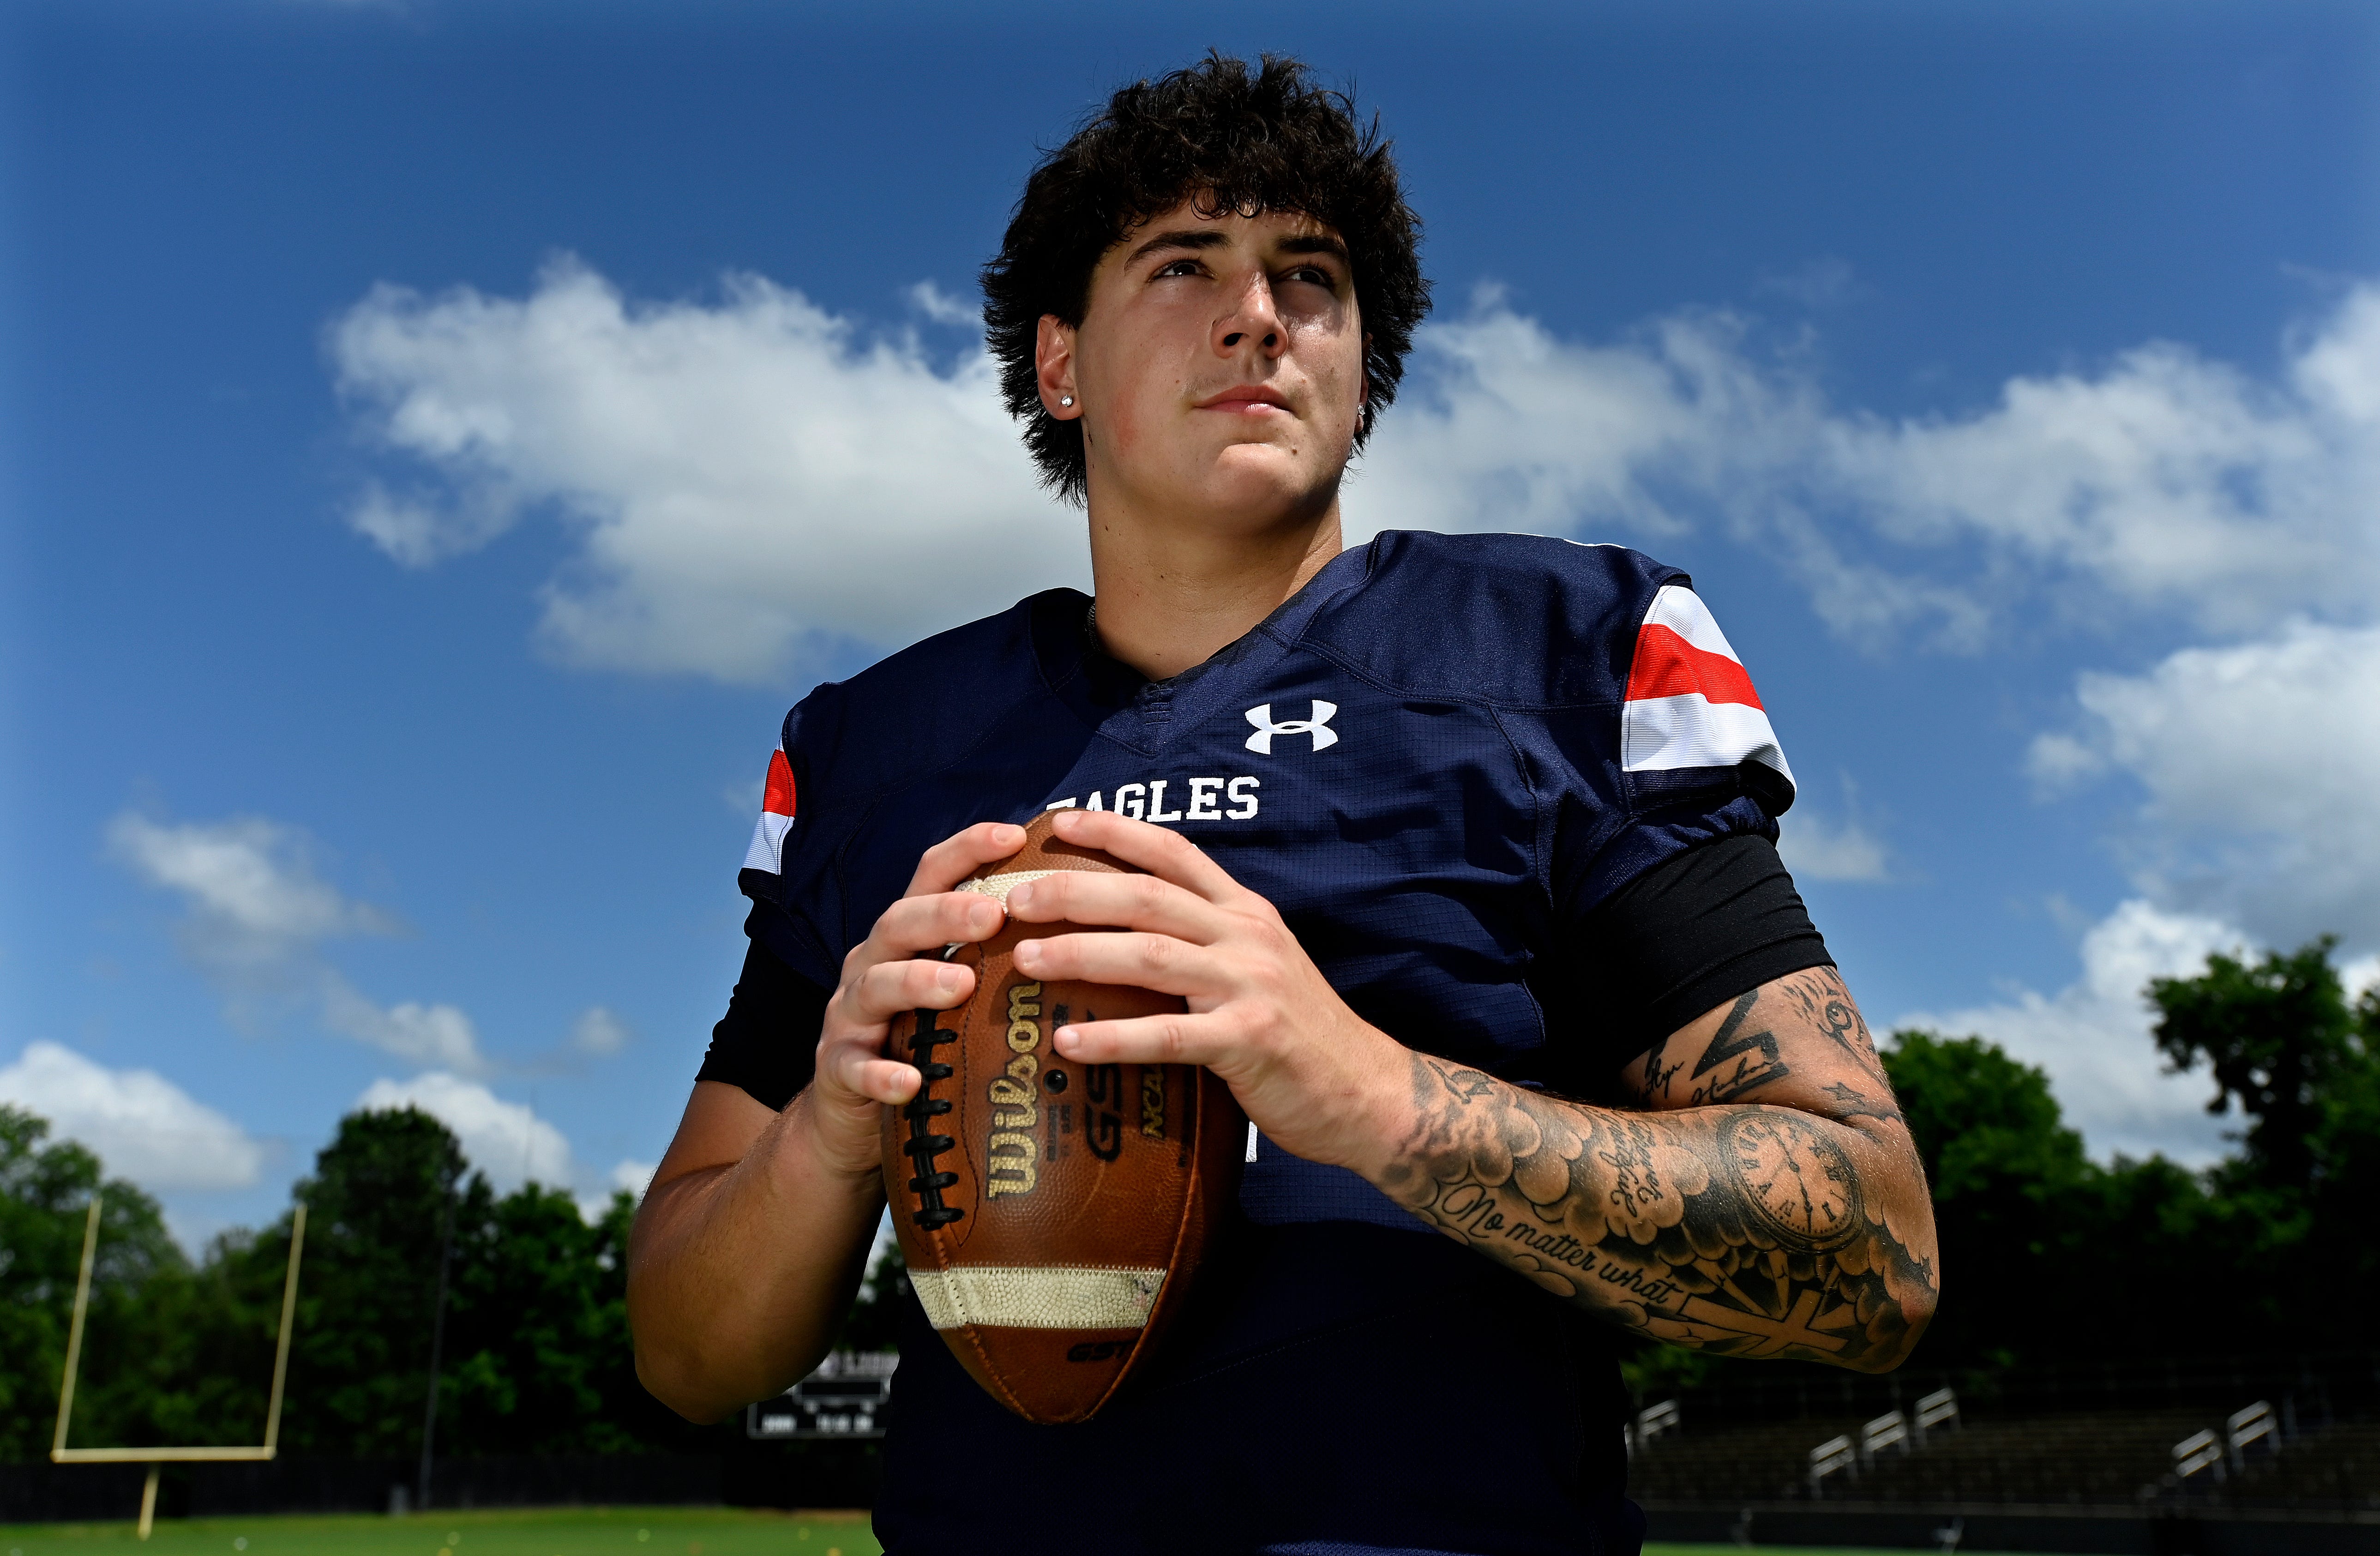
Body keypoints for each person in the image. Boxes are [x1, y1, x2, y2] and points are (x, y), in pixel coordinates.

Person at [628, 54, 1938, 1556]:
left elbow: (1874, 1254)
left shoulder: (1550, 652)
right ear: (1059, 365)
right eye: (1182, 264)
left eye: (1306, 274)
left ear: (1362, 363)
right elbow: (686, 1353)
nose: (1257, 311)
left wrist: (1366, 1091)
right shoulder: (881, 748)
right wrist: (827, 1136)